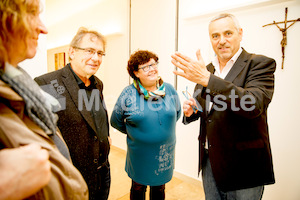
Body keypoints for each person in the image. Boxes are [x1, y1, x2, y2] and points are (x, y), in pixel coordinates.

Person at [171, 13, 275, 200]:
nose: (222, 41)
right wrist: (192, 111)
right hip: (210, 162)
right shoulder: (207, 69)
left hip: (245, 166)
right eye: (215, 36)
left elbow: (253, 104)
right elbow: (203, 106)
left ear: (240, 33)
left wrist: (206, 79)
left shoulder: (259, 64)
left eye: (228, 33)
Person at [0, 0, 88, 199]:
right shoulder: (46, 81)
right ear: (71, 53)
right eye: (31, 13)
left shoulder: (20, 84)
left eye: (99, 52)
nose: (43, 28)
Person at [34, 27, 111, 200]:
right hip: (73, 176)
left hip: (103, 171)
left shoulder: (97, 83)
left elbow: (96, 116)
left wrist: (105, 136)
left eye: (100, 53)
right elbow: (44, 137)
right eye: (90, 51)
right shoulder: (48, 84)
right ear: (71, 52)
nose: (96, 58)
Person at [111, 50, 181, 200]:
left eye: (153, 64)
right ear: (136, 73)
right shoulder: (128, 94)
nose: (152, 69)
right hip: (139, 155)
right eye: (145, 67)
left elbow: (177, 113)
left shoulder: (169, 89)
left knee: (159, 188)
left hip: (164, 153)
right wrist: (135, 133)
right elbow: (115, 121)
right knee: (138, 187)